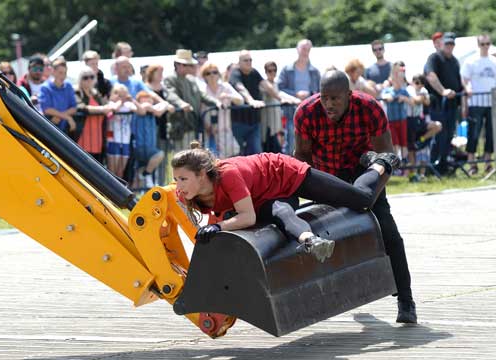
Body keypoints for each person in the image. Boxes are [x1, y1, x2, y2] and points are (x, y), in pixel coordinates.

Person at [294, 69, 417, 324]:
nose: (328, 104)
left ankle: (406, 300)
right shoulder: (306, 112)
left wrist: (373, 198)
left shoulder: (369, 108)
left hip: (365, 173)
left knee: (388, 231)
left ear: (349, 95)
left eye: (335, 99)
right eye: (324, 98)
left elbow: (387, 157)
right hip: (326, 176)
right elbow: (301, 158)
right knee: (327, 237)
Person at [172, 141, 399, 263]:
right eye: (175, 179)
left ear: (202, 175)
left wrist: (217, 227)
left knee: (362, 200)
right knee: (280, 212)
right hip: (263, 197)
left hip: (286, 174)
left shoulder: (228, 174)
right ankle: (311, 241)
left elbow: (247, 217)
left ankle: (380, 163)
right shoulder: (187, 194)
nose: (178, 185)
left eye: (183, 179)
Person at [164, 49, 220, 152]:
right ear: (179, 65)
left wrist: (216, 102)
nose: (191, 67)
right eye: (187, 65)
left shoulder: (191, 80)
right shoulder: (170, 79)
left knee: (192, 156)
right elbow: (170, 94)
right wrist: (181, 104)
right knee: (181, 157)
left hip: (193, 124)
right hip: (180, 125)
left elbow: (201, 95)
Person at [424, 32, 463, 174]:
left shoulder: (454, 61)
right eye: (447, 43)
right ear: (442, 44)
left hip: (452, 106)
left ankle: (443, 166)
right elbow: (430, 76)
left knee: (448, 136)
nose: (450, 46)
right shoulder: (434, 57)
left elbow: (460, 82)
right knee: (438, 136)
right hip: (437, 106)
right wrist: (443, 91)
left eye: (452, 44)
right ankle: (432, 167)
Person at [278, 39, 321, 155]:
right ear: (297, 49)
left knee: (311, 138)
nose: (305, 51)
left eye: (308, 49)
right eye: (303, 48)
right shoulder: (287, 70)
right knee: (291, 138)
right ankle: (287, 165)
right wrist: (295, 94)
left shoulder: (315, 71)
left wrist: (309, 93)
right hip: (292, 109)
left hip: (310, 109)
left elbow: (319, 91)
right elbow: (279, 88)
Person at [461, 34, 496, 174]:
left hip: (492, 103)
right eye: (483, 44)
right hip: (476, 102)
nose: (485, 47)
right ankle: (472, 164)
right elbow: (464, 78)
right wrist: (467, 88)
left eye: (487, 44)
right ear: (478, 45)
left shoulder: (494, 61)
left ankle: (488, 162)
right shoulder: (471, 61)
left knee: (491, 134)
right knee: (473, 133)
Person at [200, 62, 243, 158]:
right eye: (208, 73)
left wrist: (228, 96)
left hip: (225, 130)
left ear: (218, 74)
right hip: (209, 133)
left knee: (231, 158)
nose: (212, 75)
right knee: (212, 161)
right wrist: (207, 126)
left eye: (214, 72)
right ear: (204, 76)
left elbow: (240, 101)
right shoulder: (202, 90)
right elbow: (201, 111)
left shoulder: (226, 87)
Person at [406, 74, 442, 182]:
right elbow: (418, 100)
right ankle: (412, 175)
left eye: (419, 82)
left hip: (419, 121)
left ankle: (422, 175)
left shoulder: (423, 90)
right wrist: (415, 98)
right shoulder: (409, 89)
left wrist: (413, 98)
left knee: (437, 126)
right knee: (411, 149)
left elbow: (425, 101)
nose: (416, 84)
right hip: (409, 121)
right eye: (414, 81)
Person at [75, 66, 114, 162]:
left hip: (97, 137)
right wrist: (102, 109)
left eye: (91, 77)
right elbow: (81, 107)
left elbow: (107, 105)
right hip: (83, 137)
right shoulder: (76, 92)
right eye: (85, 77)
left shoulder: (96, 94)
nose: (89, 80)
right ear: (80, 79)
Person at [381, 62, 413, 164]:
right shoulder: (388, 91)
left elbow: (412, 102)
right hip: (391, 121)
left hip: (402, 120)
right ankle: (396, 160)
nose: (398, 81)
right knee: (395, 142)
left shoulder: (404, 91)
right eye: (395, 78)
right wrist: (388, 98)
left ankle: (404, 159)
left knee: (403, 141)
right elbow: (383, 97)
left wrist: (404, 99)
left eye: (400, 78)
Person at [40, 57, 77, 134]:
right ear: (53, 72)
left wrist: (60, 116)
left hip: (66, 128)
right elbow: (46, 109)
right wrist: (67, 117)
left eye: (65, 73)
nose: (63, 76)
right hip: (50, 127)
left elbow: (74, 107)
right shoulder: (45, 87)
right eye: (60, 73)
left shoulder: (68, 86)